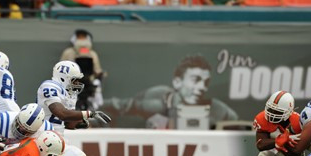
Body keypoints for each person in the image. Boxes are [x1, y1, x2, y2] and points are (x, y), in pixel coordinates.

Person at [100, 54, 238, 129]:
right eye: (196, 80)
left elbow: (240, 129)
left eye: (206, 82)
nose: (202, 87)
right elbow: (115, 106)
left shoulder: (219, 110)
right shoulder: (155, 101)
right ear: (177, 82)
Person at [37, 61, 111, 156]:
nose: (77, 84)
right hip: (43, 143)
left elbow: (68, 123)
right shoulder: (49, 86)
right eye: (74, 80)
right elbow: (61, 113)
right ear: (63, 77)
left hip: (60, 143)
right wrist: (89, 114)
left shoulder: (70, 93)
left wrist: (82, 122)